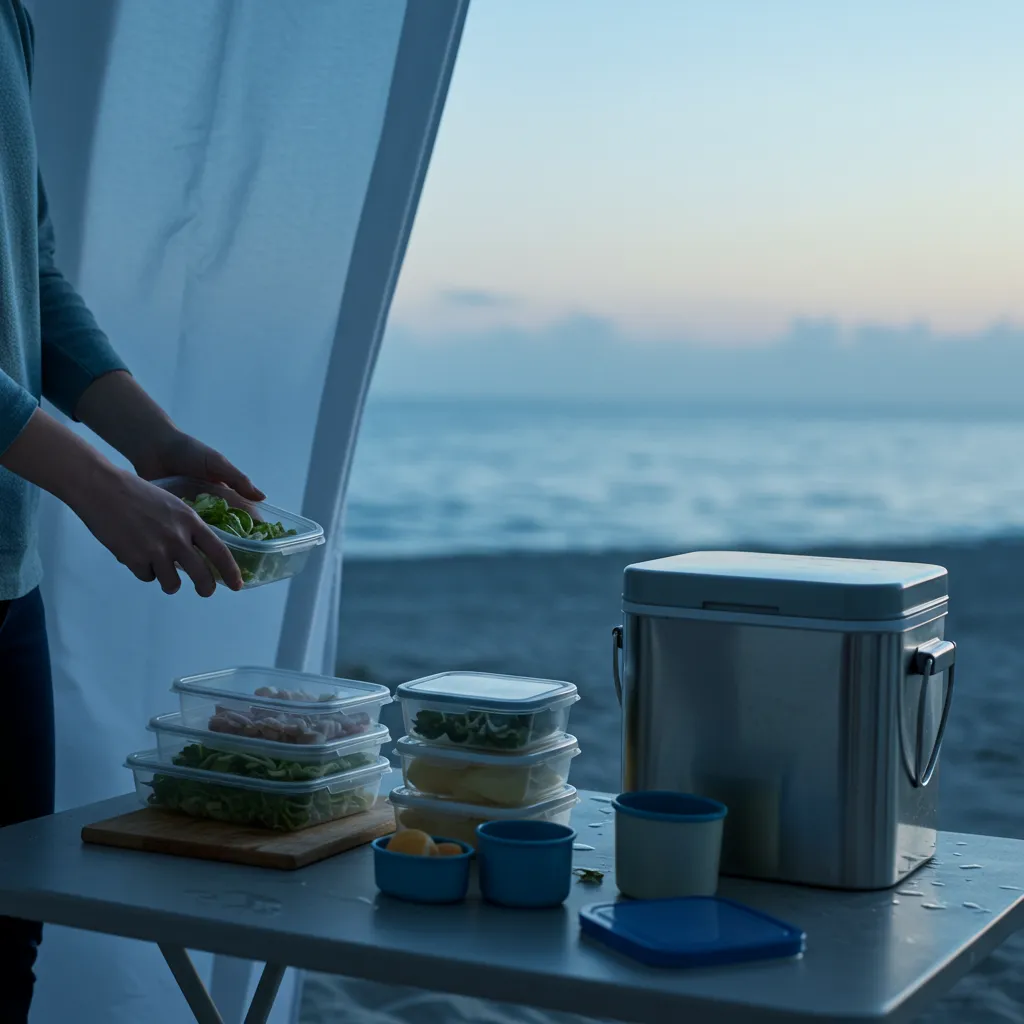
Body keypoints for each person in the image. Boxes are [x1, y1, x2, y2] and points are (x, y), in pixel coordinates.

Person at [0, 1, 261, 1017]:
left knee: (10, 925)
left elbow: (30, 267)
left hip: (5, 583)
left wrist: (151, 442)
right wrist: (99, 483)